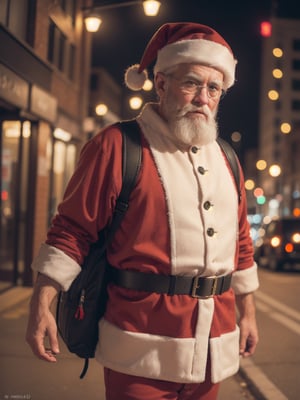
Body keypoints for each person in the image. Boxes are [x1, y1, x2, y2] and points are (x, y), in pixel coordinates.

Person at [26, 22, 259, 400]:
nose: (203, 97)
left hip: (214, 349)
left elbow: (242, 244)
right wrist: (41, 305)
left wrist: (247, 313)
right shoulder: (117, 146)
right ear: (162, 83)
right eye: (191, 83)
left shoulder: (227, 159)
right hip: (139, 353)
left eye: (213, 88)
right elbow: (71, 231)